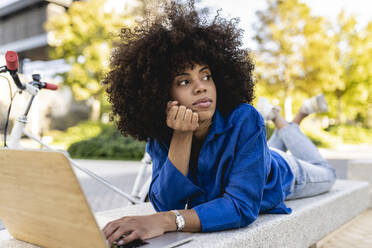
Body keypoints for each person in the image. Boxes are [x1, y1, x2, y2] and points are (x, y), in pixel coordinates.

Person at [102, 1, 336, 246]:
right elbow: (166, 203)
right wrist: (182, 135)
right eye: (184, 81)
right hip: (256, 155)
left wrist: (167, 221)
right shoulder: (162, 133)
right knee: (265, 148)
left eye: (206, 76)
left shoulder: (244, 118)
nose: (201, 86)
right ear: (160, 93)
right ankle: (281, 120)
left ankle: (284, 119)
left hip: (287, 173)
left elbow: (241, 206)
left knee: (327, 173)